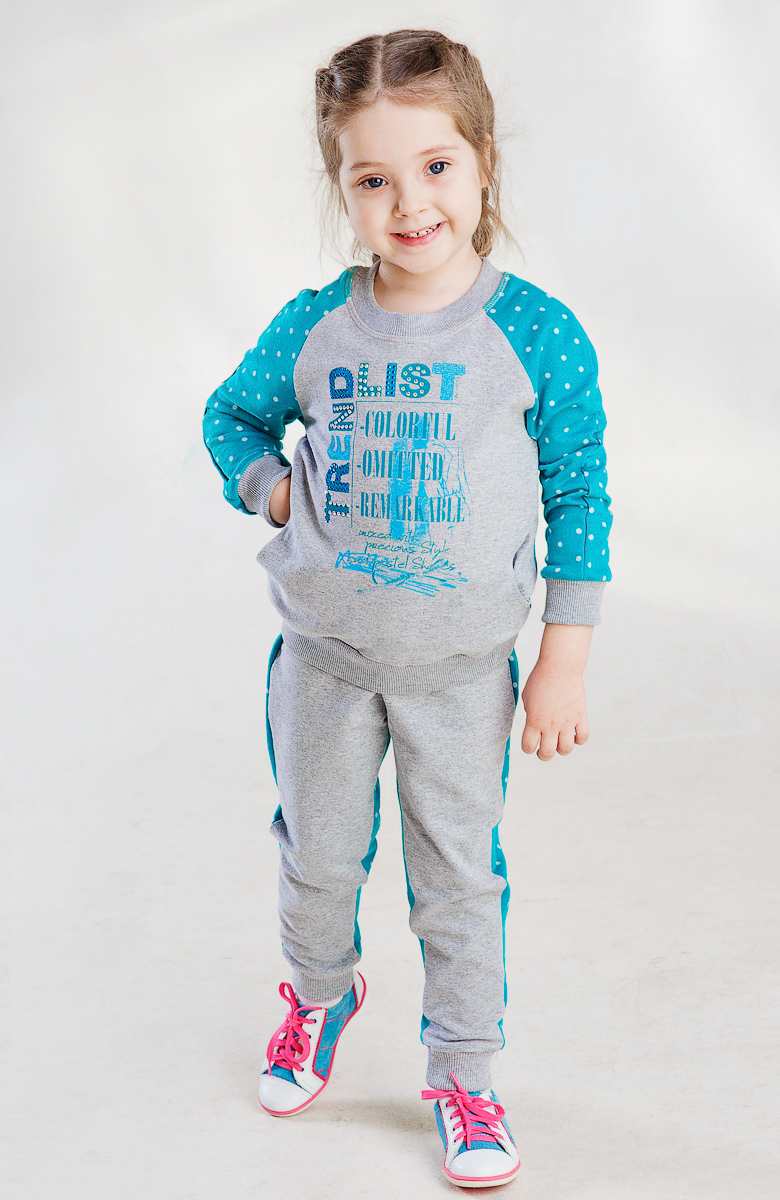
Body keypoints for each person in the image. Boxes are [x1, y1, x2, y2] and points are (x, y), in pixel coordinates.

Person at [202, 28, 611, 1189]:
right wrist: (272, 487)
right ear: (341, 186)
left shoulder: (534, 332)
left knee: (457, 882)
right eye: (371, 178)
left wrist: (561, 662)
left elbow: (578, 495)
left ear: (481, 160)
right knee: (317, 855)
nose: (408, 203)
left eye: (434, 166)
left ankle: (462, 1075)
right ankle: (317, 998)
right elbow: (230, 417)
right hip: (323, 663)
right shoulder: (316, 324)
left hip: (459, 676)